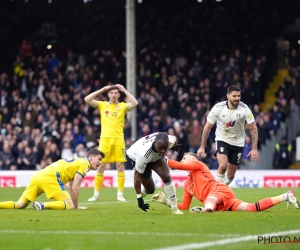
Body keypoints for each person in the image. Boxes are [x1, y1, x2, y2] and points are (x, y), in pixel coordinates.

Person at [151, 152, 299, 212]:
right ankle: (286, 195)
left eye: (185, 157)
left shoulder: (198, 166)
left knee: (209, 200)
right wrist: (166, 202)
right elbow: (183, 207)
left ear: (194, 160)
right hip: (221, 203)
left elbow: (179, 165)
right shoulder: (187, 185)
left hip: (220, 191)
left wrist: (161, 158)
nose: (182, 159)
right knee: (252, 208)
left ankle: (206, 210)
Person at [0, 148, 104, 210]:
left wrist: (75, 203)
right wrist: (76, 207)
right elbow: (75, 188)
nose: (100, 163)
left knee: (20, 205)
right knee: (69, 205)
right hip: (51, 177)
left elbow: (72, 185)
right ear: (91, 157)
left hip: (39, 175)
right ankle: (42, 205)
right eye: (99, 159)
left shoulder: (78, 162)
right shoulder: (85, 164)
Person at [84, 84, 138, 202]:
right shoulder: (103, 105)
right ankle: (96, 194)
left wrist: (125, 90)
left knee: (120, 166)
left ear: (119, 95)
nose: (113, 95)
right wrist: (101, 90)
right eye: (111, 93)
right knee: (101, 166)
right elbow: (87, 99)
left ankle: (120, 195)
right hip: (105, 140)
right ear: (108, 94)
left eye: (116, 93)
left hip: (118, 139)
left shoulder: (123, 106)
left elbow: (135, 103)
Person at [197, 85, 260, 185]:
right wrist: (202, 147)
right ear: (228, 96)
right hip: (222, 140)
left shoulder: (244, 109)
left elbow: (253, 128)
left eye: (239, 96)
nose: (237, 98)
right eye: (234, 96)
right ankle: (217, 191)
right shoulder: (218, 108)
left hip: (238, 143)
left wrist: (254, 148)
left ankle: (221, 187)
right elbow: (207, 128)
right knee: (222, 166)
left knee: (230, 175)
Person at [126, 132, 183, 214]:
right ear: (154, 144)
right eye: (160, 148)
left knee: (166, 177)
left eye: (165, 148)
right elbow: (137, 176)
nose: (163, 151)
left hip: (155, 155)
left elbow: (175, 140)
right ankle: (142, 193)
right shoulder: (143, 155)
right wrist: (139, 198)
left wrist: (174, 146)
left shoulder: (170, 141)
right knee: (150, 189)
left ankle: (174, 208)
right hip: (137, 157)